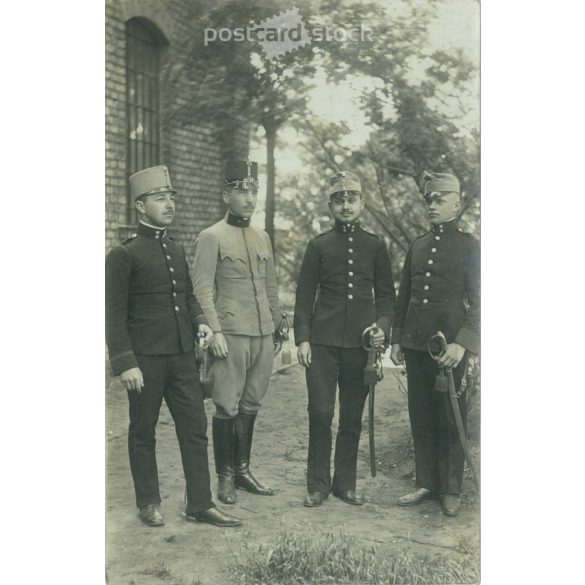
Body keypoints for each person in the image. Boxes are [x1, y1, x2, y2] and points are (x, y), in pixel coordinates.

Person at [105, 164, 241, 528]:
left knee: (195, 428)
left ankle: (200, 503)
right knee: (142, 431)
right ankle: (148, 501)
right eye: (159, 198)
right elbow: (113, 315)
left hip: (181, 357)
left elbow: (189, 298)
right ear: (140, 206)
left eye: (170, 198)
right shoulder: (124, 255)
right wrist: (125, 362)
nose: (169, 204)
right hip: (145, 360)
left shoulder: (176, 249)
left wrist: (201, 325)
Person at [294, 171, 395, 508]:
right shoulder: (319, 245)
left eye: (352, 198)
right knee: (321, 412)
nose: (346, 205)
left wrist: (381, 326)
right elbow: (304, 295)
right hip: (322, 343)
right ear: (330, 205)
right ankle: (318, 484)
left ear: (363, 203)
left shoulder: (375, 246)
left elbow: (386, 296)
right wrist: (303, 340)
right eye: (339, 199)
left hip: (360, 345)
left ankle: (345, 484)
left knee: (352, 416)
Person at [390, 171, 480, 517]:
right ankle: (426, 482)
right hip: (415, 346)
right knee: (421, 414)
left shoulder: (470, 247)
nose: (431, 205)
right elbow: (404, 297)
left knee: (450, 417)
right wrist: (398, 339)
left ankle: (451, 487)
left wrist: (463, 344)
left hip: (449, 349)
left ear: (456, 204)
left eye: (439, 199)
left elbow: (482, 302)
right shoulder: (417, 245)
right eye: (429, 199)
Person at [192, 160, 281, 506]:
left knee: (251, 404)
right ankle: (225, 476)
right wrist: (214, 331)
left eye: (254, 190)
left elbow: (271, 287)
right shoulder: (211, 237)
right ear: (225, 195)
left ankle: (242, 469)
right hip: (229, 335)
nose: (249, 197)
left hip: (261, 335)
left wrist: (276, 324)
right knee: (226, 407)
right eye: (241, 190)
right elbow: (202, 289)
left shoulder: (262, 237)